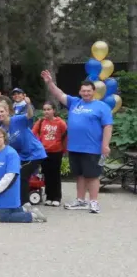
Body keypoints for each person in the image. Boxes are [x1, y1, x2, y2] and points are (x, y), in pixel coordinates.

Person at [42, 71, 113, 214]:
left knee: (92, 175)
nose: (86, 93)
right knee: (79, 175)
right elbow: (58, 94)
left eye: (88, 91)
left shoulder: (102, 106)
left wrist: (105, 145)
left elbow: (108, 126)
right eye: (83, 91)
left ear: (94, 91)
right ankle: (80, 200)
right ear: (80, 92)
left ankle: (93, 202)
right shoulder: (74, 102)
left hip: (92, 148)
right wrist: (49, 82)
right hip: (74, 147)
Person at [0, 128, 47, 223]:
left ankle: (32, 216)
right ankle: (24, 209)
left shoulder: (11, 153)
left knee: (3, 217)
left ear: (4, 138)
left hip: (7, 192)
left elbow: (10, 176)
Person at [0, 99, 47, 208]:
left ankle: (25, 203)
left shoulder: (17, 120)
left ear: (8, 111)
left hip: (34, 153)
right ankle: (14, 199)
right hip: (21, 156)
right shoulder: (0, 128)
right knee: (13, 173)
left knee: (22, 175)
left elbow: (30, 115)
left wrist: (28, 104)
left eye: (2, 111)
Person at [33, 102, 67, 206]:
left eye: (48, 109)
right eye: (44, 109)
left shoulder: (60, 123)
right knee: (46, 175)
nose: (46, 111)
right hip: (44, 152)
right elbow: (33, 134)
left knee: (55, 175)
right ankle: (49, 196)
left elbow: (65, 137)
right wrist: (38, 146)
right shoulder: (41, 122)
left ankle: (56, 197)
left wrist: (64, 150)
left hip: (56, 152)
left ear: (54, 110)